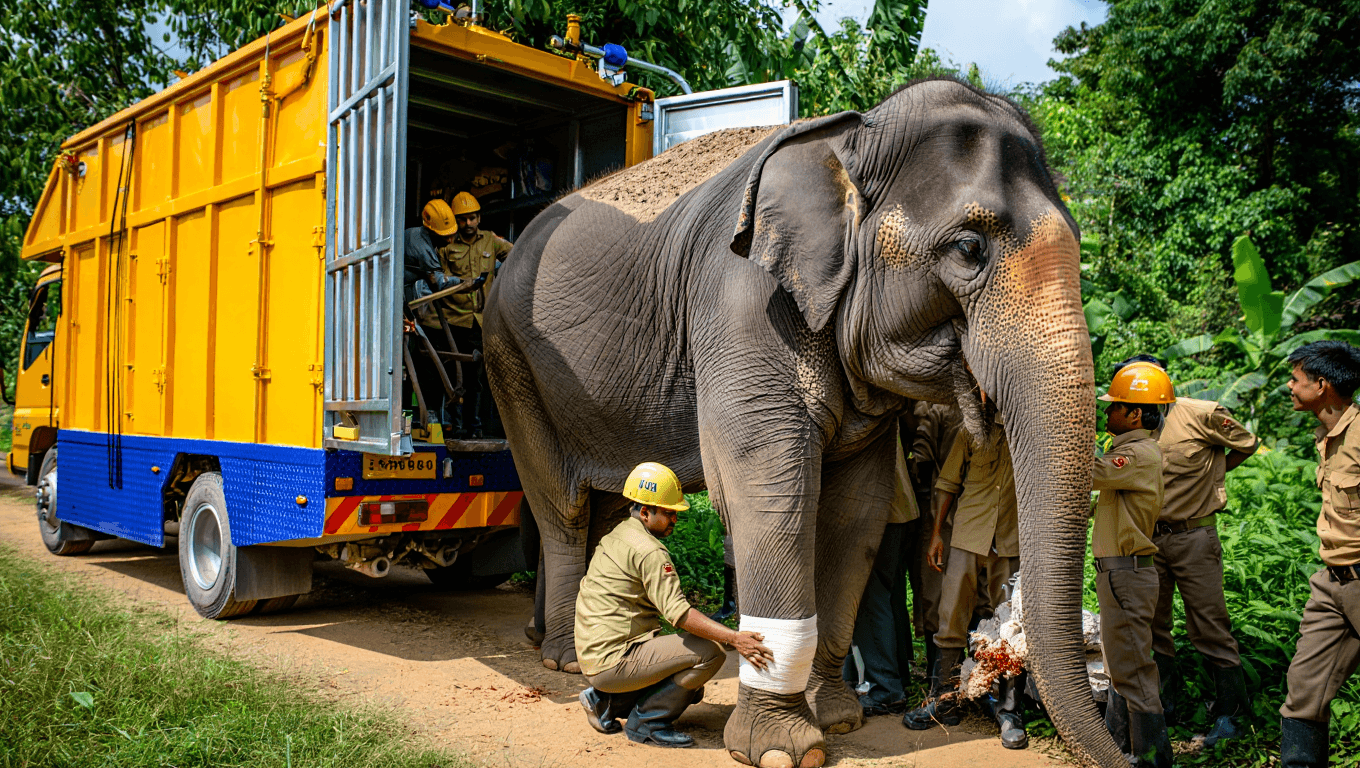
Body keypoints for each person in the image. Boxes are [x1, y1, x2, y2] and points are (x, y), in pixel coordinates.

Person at [575, 462, 774, 748]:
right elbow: (679, 614)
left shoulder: (618, 534)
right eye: (668, 513)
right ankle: (647, 722)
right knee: (710, 653)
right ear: (646, 512)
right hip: (614, 660)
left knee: (692, 688)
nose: (674, 520)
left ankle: (605, 702)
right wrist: (732, 638)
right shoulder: (650, 551)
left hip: (596, 654)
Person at [1114, 354, 1258, 746]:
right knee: (1152, 626)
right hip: (1147, 538)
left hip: (1193, 537)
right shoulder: (1127, 423)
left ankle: (1231, 714)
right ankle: (1165, 705)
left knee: (1209, 626)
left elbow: (1247, 443)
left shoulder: (1202, 414)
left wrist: (1214, 473)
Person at [903, 413, 1027, 750]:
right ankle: (944, 701)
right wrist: (935, 535)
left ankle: (1009, 711)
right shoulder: (972, 430)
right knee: (950, 616)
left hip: (1011, 542)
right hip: (967, 538)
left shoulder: (1028, 430)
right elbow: (947, 483)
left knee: (1011, 629)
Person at [1278, 340, 1360, 768]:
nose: (1289, 387)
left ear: (1322, 384)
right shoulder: (1327, 436)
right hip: (1332, 579)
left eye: (1295, 379)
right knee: (1305, 689)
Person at [1093, 361, 1174, 768]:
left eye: (1114, 407)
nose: (1106, 414)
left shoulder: (1137, 456)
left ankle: (1152, 759)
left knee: (1135, 673)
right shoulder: (1130, 453)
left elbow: (1082, 474)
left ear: (1136, 414)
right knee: (1121, 667)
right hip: (1120, 573)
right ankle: (1120, 751)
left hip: (1126, 574)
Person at [843, 433, 919, 716]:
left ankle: (886, 690)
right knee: (890, 597)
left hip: (879, 517)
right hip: (901, 511)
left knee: (869, 604)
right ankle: (898, 677)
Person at [426, 191, 512, 438]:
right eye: (462, 220)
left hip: (480, 323)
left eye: (472, 218)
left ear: (479, 218)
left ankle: (474, 428)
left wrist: (502, 278)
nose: (468, 224)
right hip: (453, 321)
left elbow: (516, 255)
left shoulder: (491, 241)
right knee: (454, 377)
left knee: (476, 380)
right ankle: (454, 427)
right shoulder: (446, 245)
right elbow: (437, 280)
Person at [908, 401, 963, 685]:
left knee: (934, 594)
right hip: (980, 511)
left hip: (940, 511)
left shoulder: (936, 410)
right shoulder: (987, 408)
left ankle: (939, 680)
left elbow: (921, 458)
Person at [402, 199, 464, 423]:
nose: (450, 239)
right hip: (401, 308)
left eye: (451, 233)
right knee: (407, 363)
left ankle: (416, 412)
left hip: (408, 305)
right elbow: (438, 282)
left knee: (413, 360)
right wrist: (466, 281)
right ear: (431, 229)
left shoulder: (418, 236)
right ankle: (413, 414)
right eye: (445, 234)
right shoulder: (423, 246)